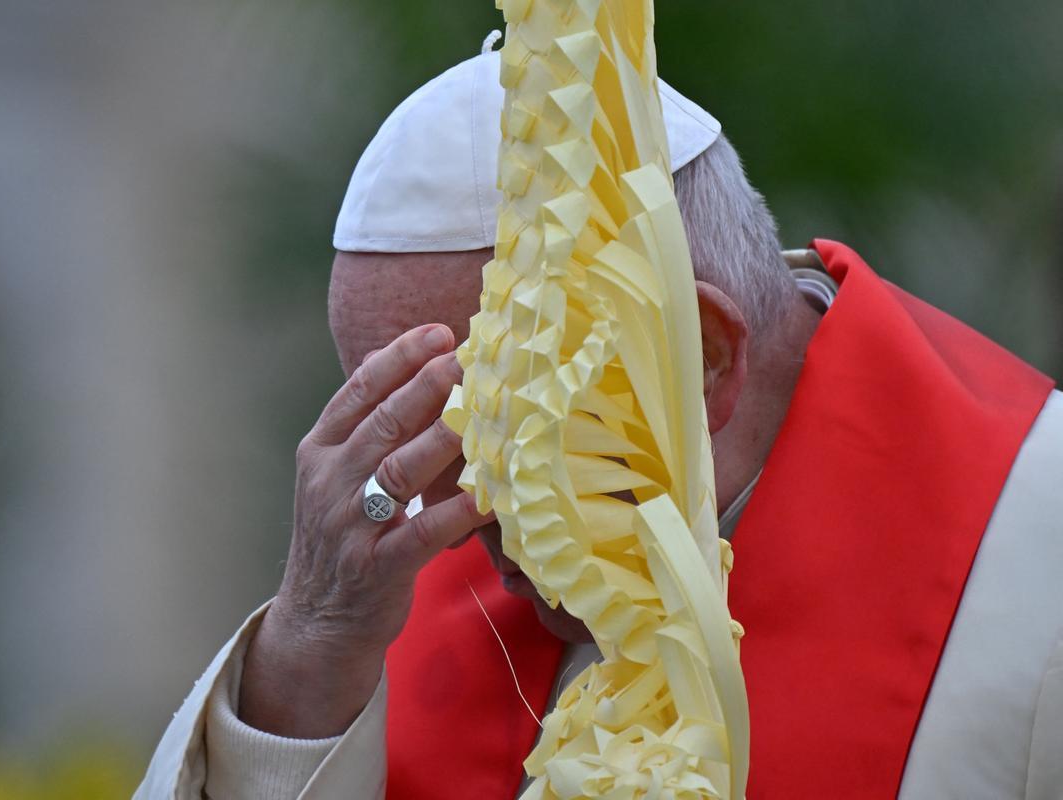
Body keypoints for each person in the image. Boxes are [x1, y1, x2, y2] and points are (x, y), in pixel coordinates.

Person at [136, 47, 1063, 800]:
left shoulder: (1033, 551)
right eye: (405, 431)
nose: (455, 520)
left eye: (487, 435)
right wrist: (310, 651)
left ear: (701, 354)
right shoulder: (398, 587)